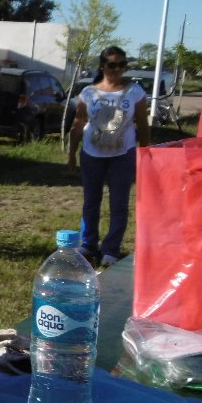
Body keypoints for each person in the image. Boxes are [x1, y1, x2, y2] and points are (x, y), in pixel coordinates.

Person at [67, 45, 151, 269]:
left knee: (119, 204)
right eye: (112, 64)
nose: (117, 69)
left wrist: (146, 155)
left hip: (122, 154)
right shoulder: (88, 93)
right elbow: (78, 124)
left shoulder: (135, 92)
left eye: (122, 64)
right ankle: (88, 245)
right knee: (91, 201)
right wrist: (71, 154)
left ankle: (111, 249)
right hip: (92, 154)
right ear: (103, 66)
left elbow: (142, 125)